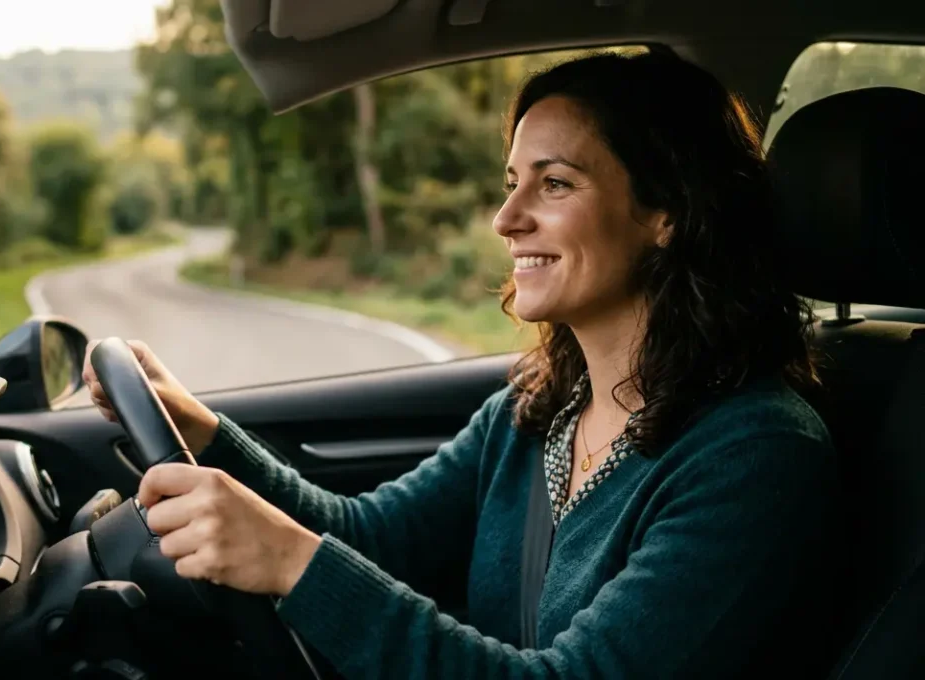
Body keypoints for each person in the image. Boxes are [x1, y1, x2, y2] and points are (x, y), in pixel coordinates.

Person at [82, 51, 840, 679]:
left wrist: (291, 562)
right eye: (513, 184)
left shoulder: (756, 453)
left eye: (555, 183)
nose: (507, 220)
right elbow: (370, 538)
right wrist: (202, 427)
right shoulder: (537, 407)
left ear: (665, 212)